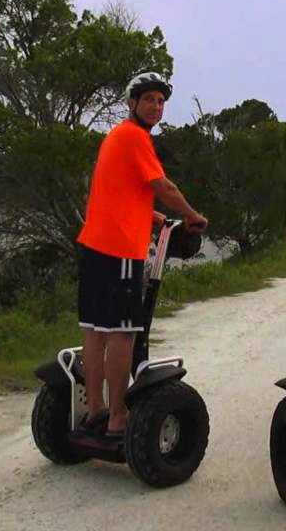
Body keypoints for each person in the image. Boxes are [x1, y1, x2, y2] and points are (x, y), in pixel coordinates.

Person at [75, 71, 208, 440]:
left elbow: (115, 191)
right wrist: (193, 215)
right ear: (132, 103)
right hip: (119, 250)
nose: (156, 106)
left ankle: (95, 409)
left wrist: (154, 217)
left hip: (95, 245)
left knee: (96, 331)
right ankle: (118, 416)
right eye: (149, 99)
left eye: (161, 101)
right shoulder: (135, 137)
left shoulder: (115, 137)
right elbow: (162, 185)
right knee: (122, 334)